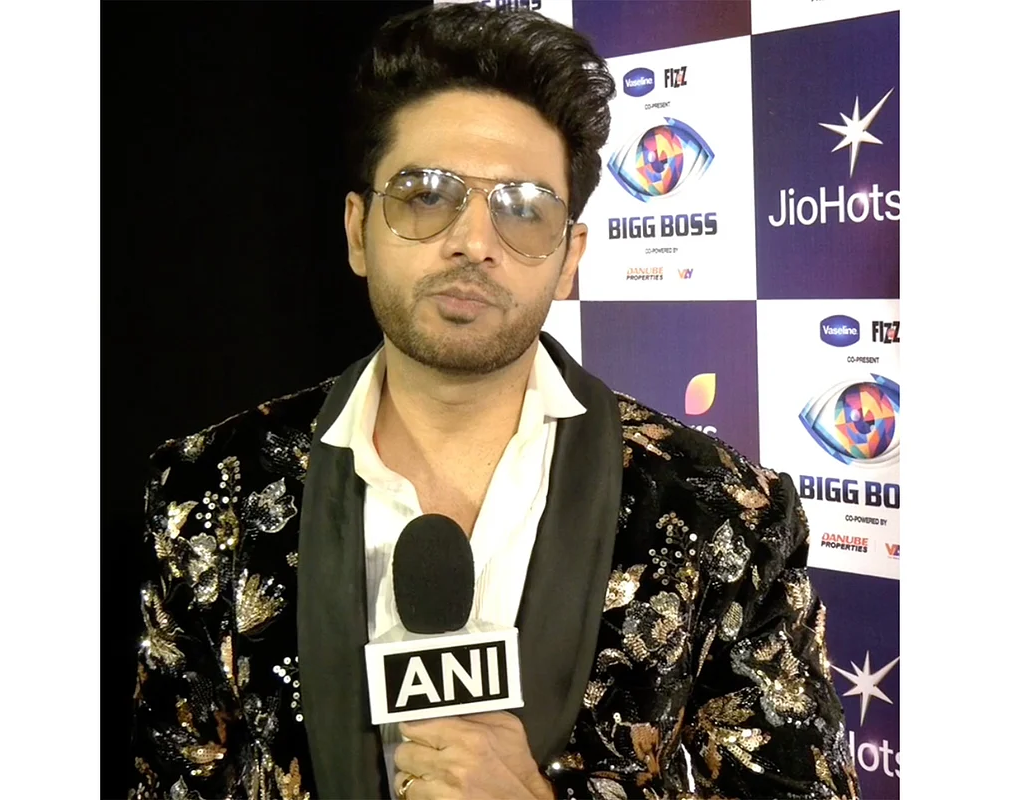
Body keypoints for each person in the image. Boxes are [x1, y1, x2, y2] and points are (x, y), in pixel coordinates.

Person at [128, 4, 861, 799]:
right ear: (357, 232)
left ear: (569, 257)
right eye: (425, 194)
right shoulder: (207, 489)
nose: (473, 242)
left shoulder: (726, 511)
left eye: (524, 208)